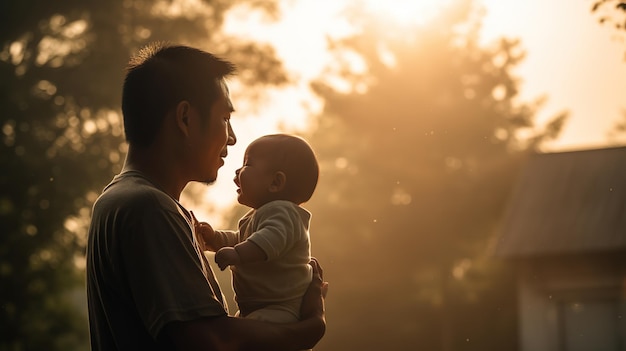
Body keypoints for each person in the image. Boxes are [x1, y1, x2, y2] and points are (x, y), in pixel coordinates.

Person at [86, 42, 327, 351]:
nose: (232, 137)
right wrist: (310, 328)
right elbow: (211, 341)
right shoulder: (148, 208)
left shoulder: (122, 200)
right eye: (225, 118)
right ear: (185, 118)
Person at [194, 134, 319, 329]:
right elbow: (241, 239)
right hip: (257, 308)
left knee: (244, 331)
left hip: (282, 309)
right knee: (243, 327)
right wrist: (216, 239)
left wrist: (237, 254)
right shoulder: (260, 215)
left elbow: (269, 241)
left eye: (247, 164)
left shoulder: (284, 212)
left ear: (276, 182)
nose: (238, 170)